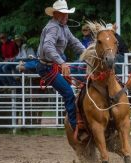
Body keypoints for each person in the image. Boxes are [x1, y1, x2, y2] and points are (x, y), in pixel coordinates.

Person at [36, 0, 85, 130]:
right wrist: (62, 63)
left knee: (80, 83)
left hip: (53, 64)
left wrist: (87, 54)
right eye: (63, 14)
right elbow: (47, 46)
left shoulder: (64, 27)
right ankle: (75, 127)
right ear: (56, 14)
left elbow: (74, 42)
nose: (66, 16)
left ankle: (81, 119)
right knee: (69, 93)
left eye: (66, 14)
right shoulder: (52, 27)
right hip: (47, 68)